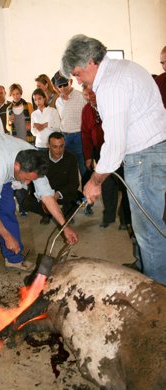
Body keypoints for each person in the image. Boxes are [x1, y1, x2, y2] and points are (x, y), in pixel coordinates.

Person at [61, 34, 166, 284]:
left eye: (76, 73)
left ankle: (157, 291)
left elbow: (116, 143)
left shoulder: (111, 84)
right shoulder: (126, 68)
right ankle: (145, 267)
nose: (77, 80)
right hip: (153, 151)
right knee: (144, 224)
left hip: (144, 158)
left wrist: (95, 181)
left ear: (89, 63)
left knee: (148, 231)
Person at [0, 134, 78, 288]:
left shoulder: (34, 158)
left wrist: (65, 226)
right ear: (17, 166)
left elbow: (47, 197)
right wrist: (7, 236)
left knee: (7, 209)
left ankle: (13, 259)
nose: (28, 183)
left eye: (31, 179)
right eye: (26, 178)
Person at [81, 85, 131, 228]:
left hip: (119, 149)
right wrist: (88, 156)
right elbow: (85, 135)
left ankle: (125, 219)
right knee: (108, 185)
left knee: (125, 185)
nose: (90, 98)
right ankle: (109, 217)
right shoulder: (86, 110)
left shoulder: (111, 105)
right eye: (86, 95)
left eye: (92, 94)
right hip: (100, 152)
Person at [24, 132, 82, 225]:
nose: (58, 150)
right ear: (48, 145)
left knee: (80, 198)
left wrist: (58, 194)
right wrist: (44, 198)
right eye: (55, 146)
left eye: (61, 146)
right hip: (46, 191)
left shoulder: (71, 158)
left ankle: (66, 214)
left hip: (62, 192)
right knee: (26, 202)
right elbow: (33, 182)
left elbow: (74, 183)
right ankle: (47, 214)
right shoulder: (41, 158)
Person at [53, 71, 87, 186]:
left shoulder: (81, 96)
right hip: (65, 138)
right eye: (59, 86)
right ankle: (72, 198)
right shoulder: (58, 101)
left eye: (64, 84)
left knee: (84, 168)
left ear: (70, 82)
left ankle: (87, 200)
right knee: (68, 171)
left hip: (79, 137)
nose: (62, 88)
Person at [7, 83, 34, 216]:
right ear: (11, 95)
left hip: (28, 142)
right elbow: (7, 127)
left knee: (30, 170)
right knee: (20, 173)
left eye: (18, 93)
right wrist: (10, 121)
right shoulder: (9, 109)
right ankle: (23, 204)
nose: (16, 96)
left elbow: (33, 120)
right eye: (13, 94)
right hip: (15, 145)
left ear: (21, 93)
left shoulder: (28, 105)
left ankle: (32, 199)